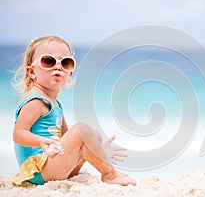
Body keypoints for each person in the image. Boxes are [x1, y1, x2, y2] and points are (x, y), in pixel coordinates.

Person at [11, 35, 136, 186]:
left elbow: (68, 137)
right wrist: (40, 141)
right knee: (81, 129)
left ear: (70, 73)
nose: (58, 66)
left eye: (65, 63)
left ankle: (84, 168)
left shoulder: (55, 103)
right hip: (38, 170)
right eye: (48, 61)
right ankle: (110, 174)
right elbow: (18, 134)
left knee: (92, 135)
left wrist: (99, 151)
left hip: (53, 164)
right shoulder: (35, 101)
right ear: (32, 72)